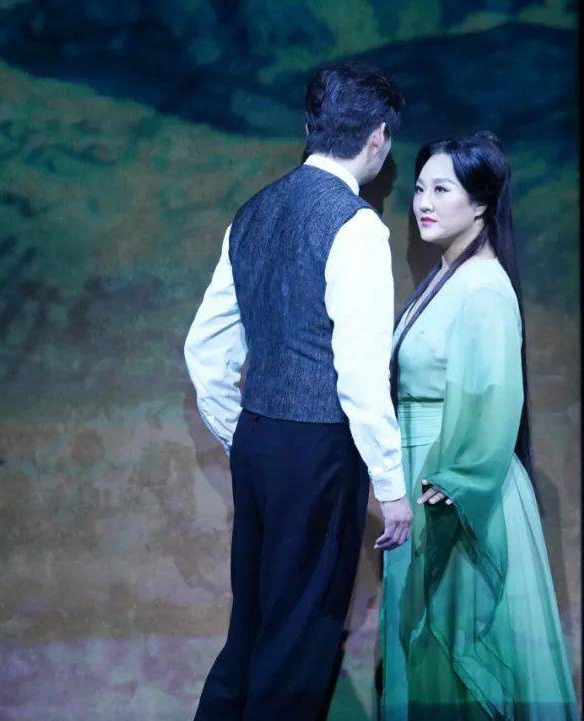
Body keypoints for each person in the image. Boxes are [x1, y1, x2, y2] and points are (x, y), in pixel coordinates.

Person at [184, 60, 411, 721]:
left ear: (310, 126)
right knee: (300, 637)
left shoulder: (252, 213)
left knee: (252, 627)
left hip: (260, 440)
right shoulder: (356, 225)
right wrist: (391, 483)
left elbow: (205, 350)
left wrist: (245, 436)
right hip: (319, 451)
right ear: (378, 137)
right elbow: (361, 373)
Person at [375, 131, 579, 720]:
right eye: (419, 189)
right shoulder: (447, 279)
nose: (423, 203)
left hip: (459, 489)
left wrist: (458, 478)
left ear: (482, 202)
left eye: (442, 189)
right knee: (423, 652)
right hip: (426, 476)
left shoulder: (483, 286)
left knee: (456, 654)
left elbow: (495, 397)